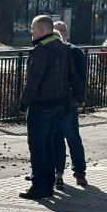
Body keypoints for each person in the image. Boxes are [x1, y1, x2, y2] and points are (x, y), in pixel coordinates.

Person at [18, 14, 82, 200]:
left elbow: (33, 82)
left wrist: (23, 104)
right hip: (60, 106)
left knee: (37, 146)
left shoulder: (41, 51)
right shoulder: (64, 48)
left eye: (33, 29)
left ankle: (39, 186)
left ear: (41, 30)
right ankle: (48, 184)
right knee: (50, 145)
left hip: (41, 106)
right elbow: (73, 75)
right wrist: (79, 97)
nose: (31, 33)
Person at [52, 21, 87, 188]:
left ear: (66, 33)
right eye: (56, 30)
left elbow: (81, 76)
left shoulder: (74, 51)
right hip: (52, 100)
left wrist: (80, 97)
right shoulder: (47, 49)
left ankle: (79, 172)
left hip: (69, 101)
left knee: (72, 137)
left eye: (62, 30)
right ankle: (51, 172)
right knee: (52, 139)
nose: (59, 32)